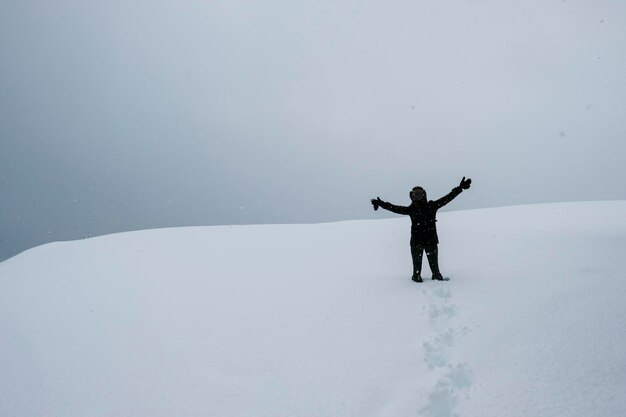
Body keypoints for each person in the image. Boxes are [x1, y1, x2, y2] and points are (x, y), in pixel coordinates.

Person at [371, 177, 471, 282]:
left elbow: (448, 198)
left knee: (435, 273)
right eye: (415, 194)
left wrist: (460, 188)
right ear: (411, 196)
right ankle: (419, 278)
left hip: (427, 242)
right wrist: (381, 204)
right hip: (419, 242)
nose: (418, 196)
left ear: (424, 194)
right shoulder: (414, 209)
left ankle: (431, 276)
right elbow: (394, 208)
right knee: (417, 274)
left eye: (420, 193)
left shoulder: (430, 206)